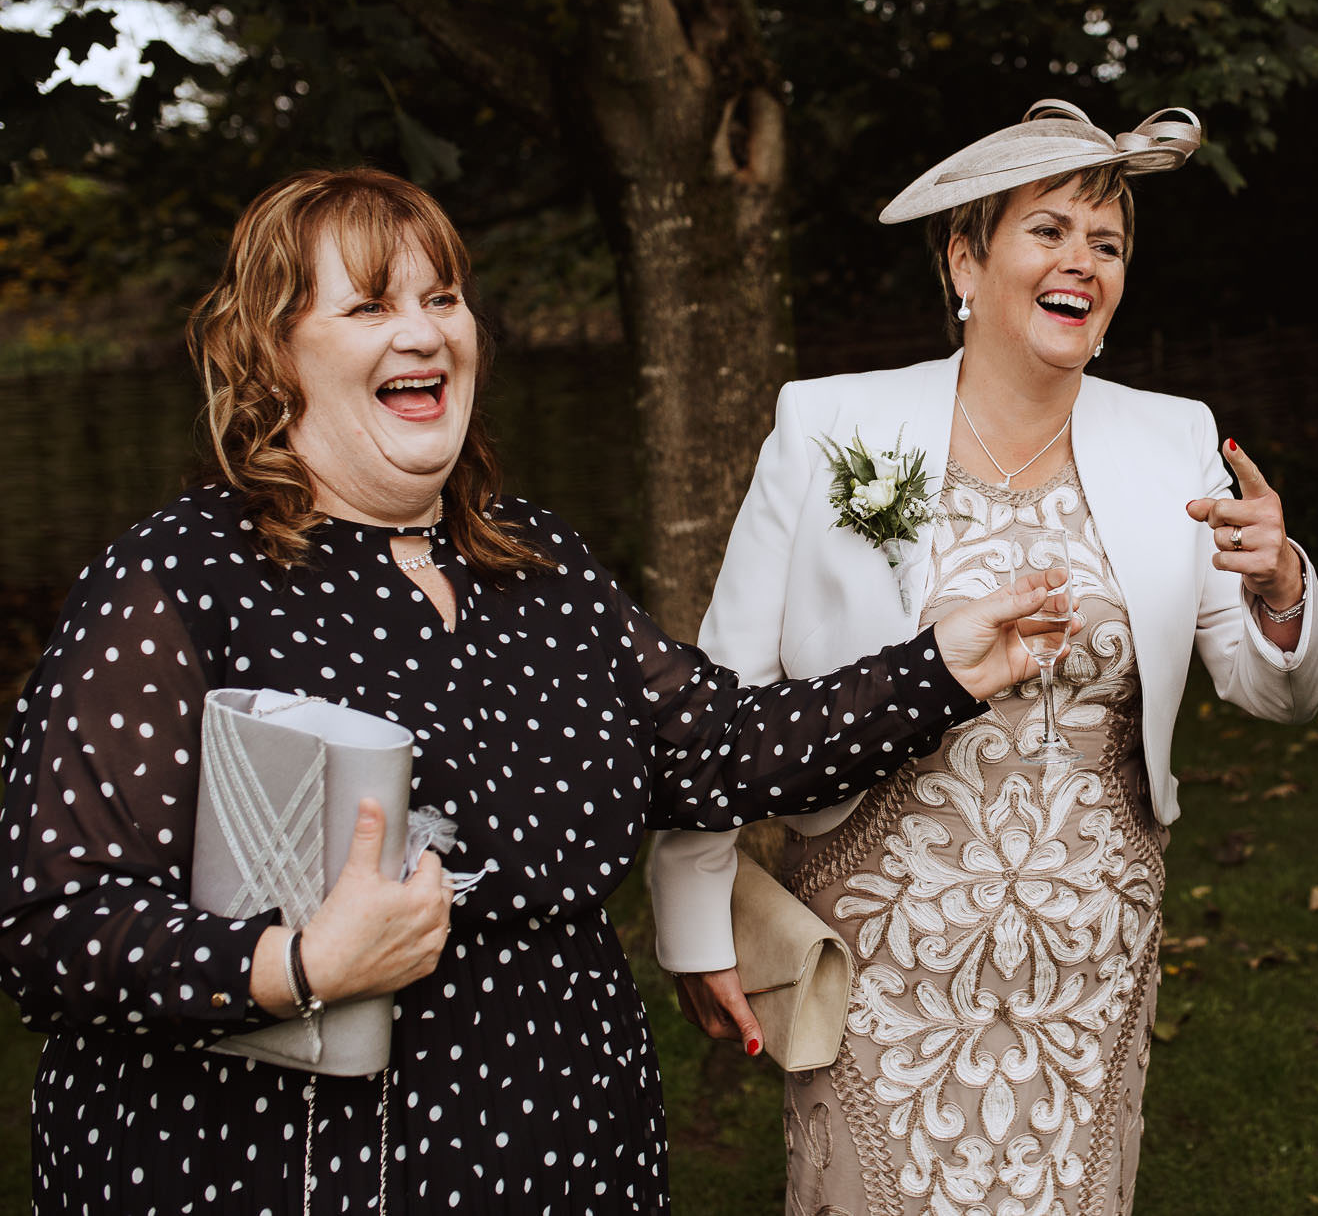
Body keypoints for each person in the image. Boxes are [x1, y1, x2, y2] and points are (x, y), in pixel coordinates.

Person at [0, 168, 1064, 1213]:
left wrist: (939, 669)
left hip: (566, 1140)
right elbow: (52, 927)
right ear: (274, 352)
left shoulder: (534, 563)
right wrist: (295, 963)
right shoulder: (181, 577)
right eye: (371, 304)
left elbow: (714, 748)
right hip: (289, 1162)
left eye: (442, 297)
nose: (422, 332)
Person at [645, 99, 1318, 1214]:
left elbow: (1272, 691)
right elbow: (723, 703)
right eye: (1049, 231)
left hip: (1089, 955)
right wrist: (692, 921)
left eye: (1106, 243)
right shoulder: (829, 429)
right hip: (879, 959)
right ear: (963, 259)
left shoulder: (1172, 437)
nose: (1082, 263)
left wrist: (1277, 585)